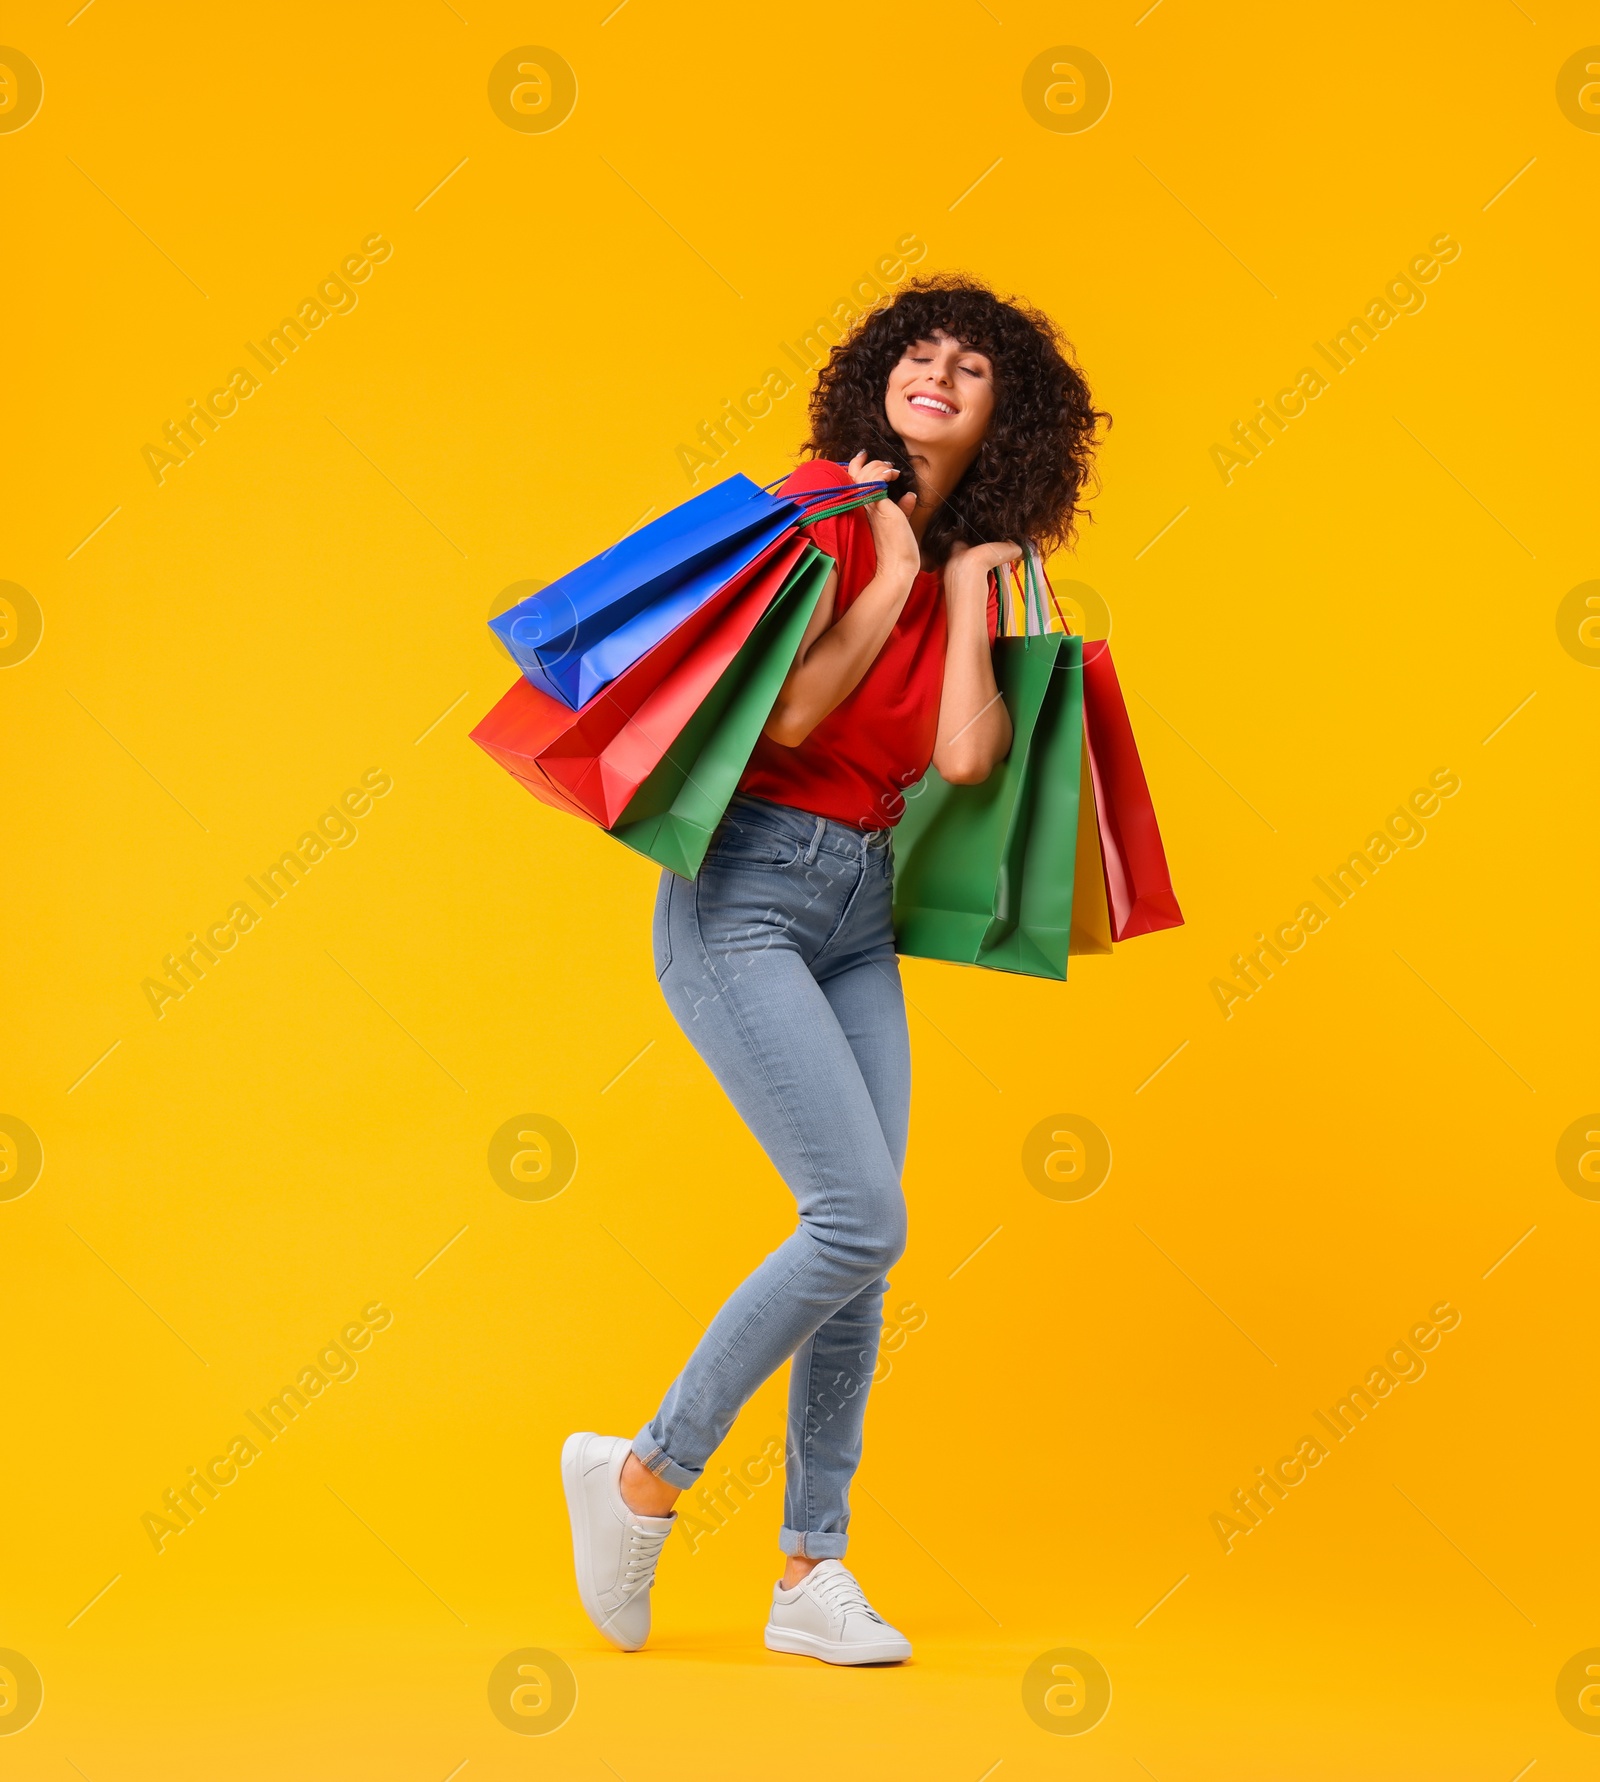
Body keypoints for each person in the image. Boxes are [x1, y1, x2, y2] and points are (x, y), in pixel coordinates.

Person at [563, 275, 1105, 1664]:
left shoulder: (964, 560)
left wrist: (964, 585)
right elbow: (796, 710)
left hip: (856, 903)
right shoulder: (821, 510)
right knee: (858, 1217)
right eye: (917, 353)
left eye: (970, 369)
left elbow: (969, 758)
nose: (935, 374)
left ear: (1009, 422)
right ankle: (642, 1475)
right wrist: (891, 574)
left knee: (858, 1249)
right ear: (877, 375)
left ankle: (812, 1569)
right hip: (742, 892)